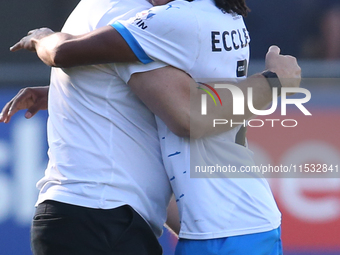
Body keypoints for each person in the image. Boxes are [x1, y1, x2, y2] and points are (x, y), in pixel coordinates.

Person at [2, 0, 301, 254]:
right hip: (208, 220)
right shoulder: (215, 13)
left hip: (207, 225)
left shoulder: (158, 18)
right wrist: (66, 93)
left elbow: (187, 115)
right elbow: (187, 98)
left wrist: (43, 38)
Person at [2, 1, 176, 254]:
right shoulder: (135, 14)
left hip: (91, 217)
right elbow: (187, 112)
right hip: (101, 218)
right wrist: (253, 89)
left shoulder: (98, 8)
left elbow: (109, 90)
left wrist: (58, 94)